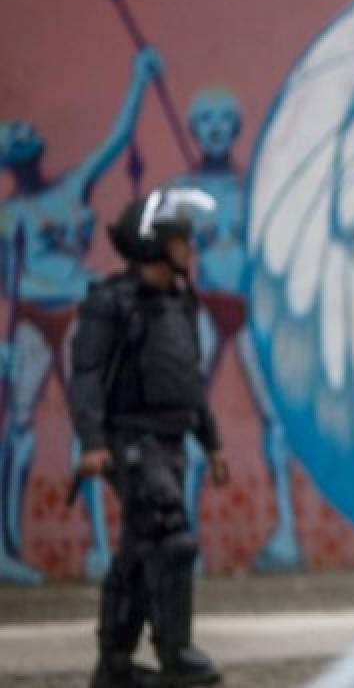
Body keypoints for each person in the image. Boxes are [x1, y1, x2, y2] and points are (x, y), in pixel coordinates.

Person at [0, 46, 163, 584]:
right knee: (20, 426)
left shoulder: (71, 187)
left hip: (75, 312)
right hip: (29, 315)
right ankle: (9, 545)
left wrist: (139, 79)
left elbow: (115, 141)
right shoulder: (10, 217)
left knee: (87, 427)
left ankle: (100, 544)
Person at [68, 187, 229, 687]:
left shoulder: (179, 302)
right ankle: (175, 653)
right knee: (169, 537)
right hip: (131, 441)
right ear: (152, 242)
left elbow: (187, 381)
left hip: (171, 442)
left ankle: (114, 664)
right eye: (179, 239)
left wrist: (213, 442)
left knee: (140, 549)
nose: (188, 249)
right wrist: (94, 442)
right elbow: (87, 375)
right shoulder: (112, 302)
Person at [168, 86, 302, 572]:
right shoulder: (181, 194)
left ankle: (286, 533)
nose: (217, 130)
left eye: (225, 120)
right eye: (207, 122)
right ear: (195, 131)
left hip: (247, 307)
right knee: (189, 414)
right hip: (204, 304)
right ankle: (186, 534)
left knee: (274, 417)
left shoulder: (254, 189)